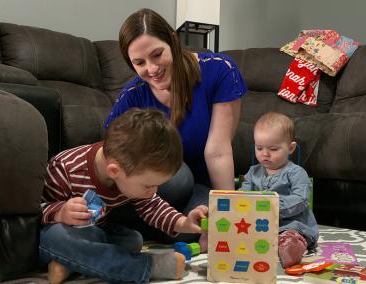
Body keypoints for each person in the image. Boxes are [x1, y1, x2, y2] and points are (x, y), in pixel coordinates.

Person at [104, 8, 247, 244]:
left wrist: (227, 214)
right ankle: (127, 228)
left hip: (200, 186)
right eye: (139, 63)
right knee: (180, 176)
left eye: (157, 55)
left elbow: (218, 151)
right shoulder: (132, 95)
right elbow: (110, 157)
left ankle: (133, 233)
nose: (151, 69)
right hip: (150, 190)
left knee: (198, 226)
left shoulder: (220, 70)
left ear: (173, 40)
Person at [39, 108, 208, 284]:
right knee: (57, 237)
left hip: (96, 233)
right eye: (148, 185)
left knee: (133, 240)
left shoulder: (127, 170)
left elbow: (153, 207)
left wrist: (185, 223)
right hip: (58, 236)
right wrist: (60, 212)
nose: (154, 191)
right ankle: (146, 267)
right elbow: (35, 213)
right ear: (114, 171)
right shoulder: (65, 168)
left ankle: (72, 262)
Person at [239, 111, 318, 268]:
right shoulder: (252, 172)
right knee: (239, 232)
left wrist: (271, 207)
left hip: (290, 223)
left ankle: (291, 247)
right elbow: (243, 195)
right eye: (259, 148)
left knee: (291, 235)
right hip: (257, 224)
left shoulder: (296, 173)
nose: (265, 154)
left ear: (290, 148)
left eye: (273, 149)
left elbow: (300, 200)